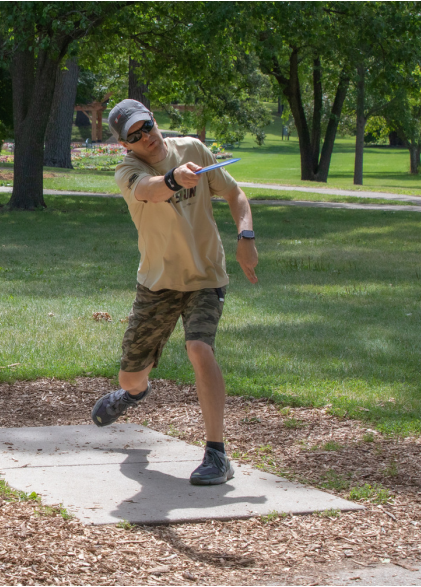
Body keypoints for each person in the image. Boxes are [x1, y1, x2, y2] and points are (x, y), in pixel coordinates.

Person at [91, 99, 259, 486]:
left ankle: (216, 454)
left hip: (206, 276)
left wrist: (246, 236)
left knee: (199, 348)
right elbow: (149, 190)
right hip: (158, 283)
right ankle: (132, 394)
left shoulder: (194, 150)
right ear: (125, 145)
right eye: (134, 136)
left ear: (154, 120)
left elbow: (235, 195)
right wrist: (173, 180)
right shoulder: (128, 170)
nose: (145, 137)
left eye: (146, 126)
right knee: (131, 376)